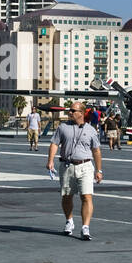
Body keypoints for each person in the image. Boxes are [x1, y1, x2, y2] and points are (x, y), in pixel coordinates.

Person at [46, 101, 104, 241]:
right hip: (67, 165)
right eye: (69, 110)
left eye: (73, 110)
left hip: (85, 166)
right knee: (67, 196)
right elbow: (54, 144)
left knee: (87, 196)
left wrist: (99, 170)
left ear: (81, 113)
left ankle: (85, 227)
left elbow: (96, 151)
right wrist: (50, 160)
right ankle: (69, 220)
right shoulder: (63, 127)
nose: (69, 112)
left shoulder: (91, 130)